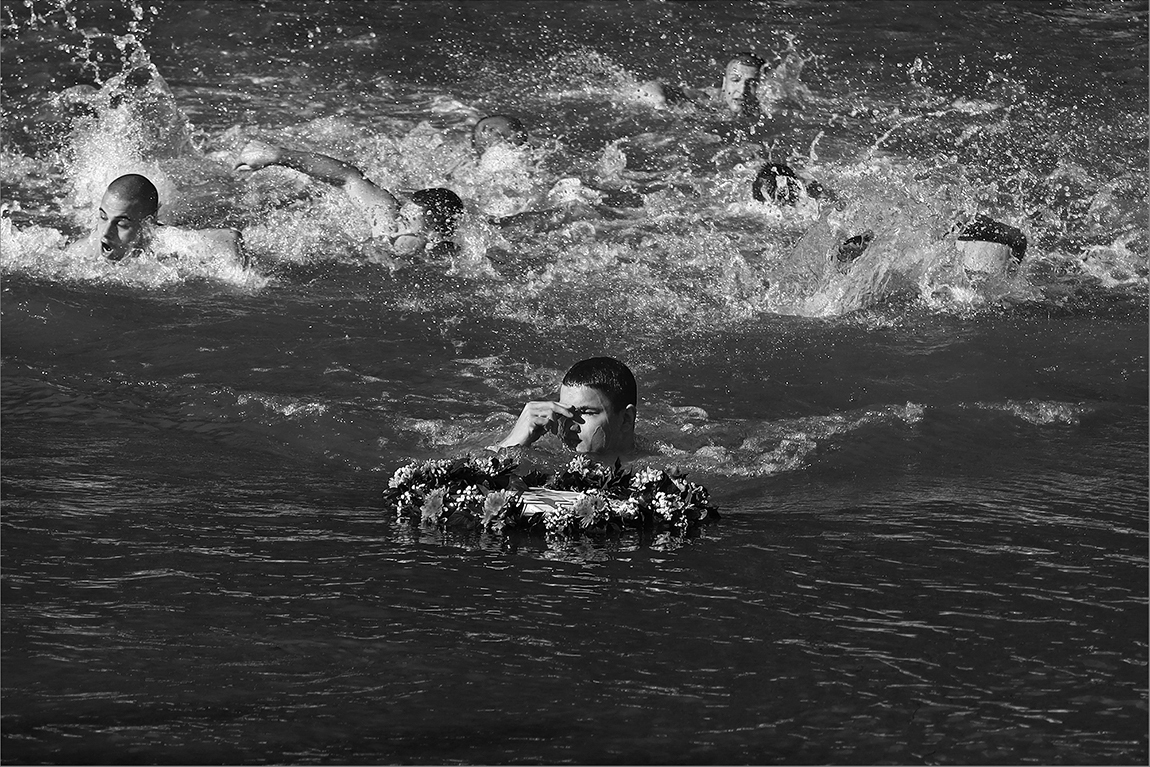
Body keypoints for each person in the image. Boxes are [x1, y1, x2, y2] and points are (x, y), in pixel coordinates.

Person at [751, 161, 1028, 274]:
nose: (781, 203)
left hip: (894, 225)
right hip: (888, 232)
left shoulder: (814, 194)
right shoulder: (782, 224)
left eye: (782, 193)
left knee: (943, 227)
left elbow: (838, 203)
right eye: (774, 199)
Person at [234, 139, 464, 258]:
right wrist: (278, 155)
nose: (394, 224)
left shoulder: (446, 256)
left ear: (435, 233)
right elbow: (347, 177)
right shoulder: (385, 214)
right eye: (401, 215)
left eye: (406, 223)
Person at [70, 173, 245, 265]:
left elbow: (230, 238)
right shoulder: (85, 250)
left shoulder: (165, 242)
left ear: (148, 225)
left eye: (121, 223)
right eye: (103, 217)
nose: (105, 234)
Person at [497, 356, 637, 464]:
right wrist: (510, 444)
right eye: (564, 411)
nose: (572, 426)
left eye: (586, 412)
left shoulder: (652, 472)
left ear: (626, 419)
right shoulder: (547, 458)